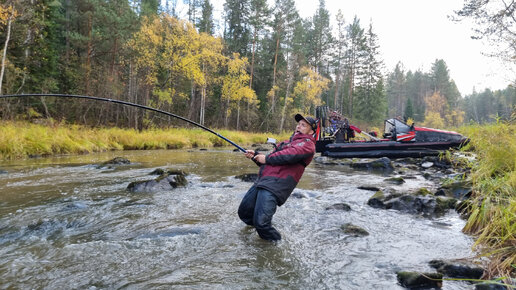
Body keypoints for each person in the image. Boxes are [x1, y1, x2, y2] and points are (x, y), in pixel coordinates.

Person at [238, 114, 317, 241]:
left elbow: (288, 155)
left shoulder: (308, 144)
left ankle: (276, 244)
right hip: (262, 181)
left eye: (303, 125)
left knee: (262, 224)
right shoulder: (286, 142)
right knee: (245, 214)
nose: (299, 126)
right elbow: (271, 159)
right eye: (298, 124)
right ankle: (260, 234)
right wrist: (256, 156)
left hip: (276, 186)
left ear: (311, 131)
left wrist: (266, 158)